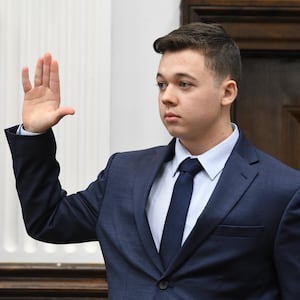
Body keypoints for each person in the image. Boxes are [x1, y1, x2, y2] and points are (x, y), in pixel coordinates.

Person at [5, 22, 300, 299]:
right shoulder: (123, 173)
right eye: (161, 84)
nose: (167, 97)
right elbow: (48, 220)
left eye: (184, 84)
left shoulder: (283, 191)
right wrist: (34, 134)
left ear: (227, 92)